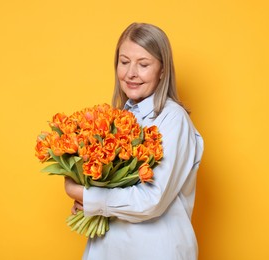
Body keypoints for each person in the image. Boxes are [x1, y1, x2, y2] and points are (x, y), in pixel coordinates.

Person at [64, 22, 204, 260]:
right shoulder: (118, 119)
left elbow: (152, 200)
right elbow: (116, 192)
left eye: (144, 64)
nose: (131, 73)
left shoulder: (173, 119)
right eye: (124, 61)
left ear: (163, 70)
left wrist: (86, 196)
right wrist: (89, 206)